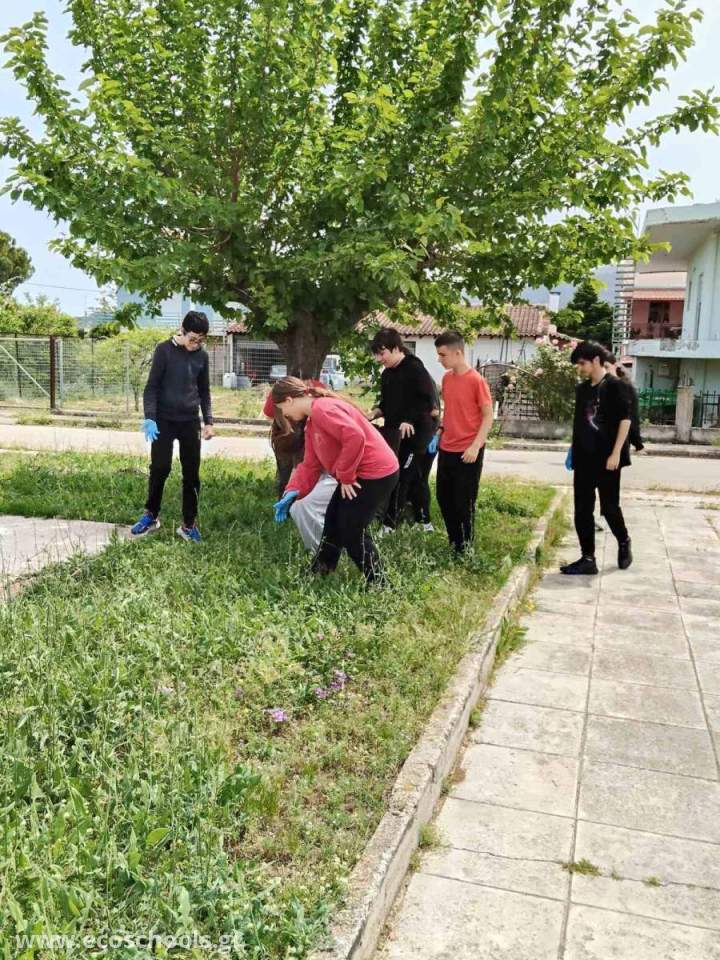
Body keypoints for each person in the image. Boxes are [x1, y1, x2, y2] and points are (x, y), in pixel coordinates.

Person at [271, 378, 399, 584]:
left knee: (351, 530)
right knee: (333, 521)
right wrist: (293, 491)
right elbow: (310, 465)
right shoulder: (312, 422)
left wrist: (346, 476)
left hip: (375, 474)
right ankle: (321, 571)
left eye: (282, 409)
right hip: (358, 475)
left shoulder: (323, 409)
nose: (284, 415)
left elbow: (355, 437)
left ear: (289, 400)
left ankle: (380, 583)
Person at [130, 311, 215, 542]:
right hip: (164, 421)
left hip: (189, 421)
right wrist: (150, 417)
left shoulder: (202, 356)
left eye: (201, 340)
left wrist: (208, 421)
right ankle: (151, 515)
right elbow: (151, 387)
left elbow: (204, 390)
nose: (196, 344)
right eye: (193, 339)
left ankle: (188, 525)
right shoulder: (164, 350)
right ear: (182, 330)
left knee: (191, 474)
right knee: (160, 468)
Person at [562, 341, 633, 576]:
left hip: (607, 459)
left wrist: (616, 453)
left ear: (595, 361)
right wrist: (573, 450)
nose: (580, 368)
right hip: (584, 458)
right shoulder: (582, 389)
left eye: (582, 363)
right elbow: (580, 423)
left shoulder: (615, 386)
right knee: (582, 509)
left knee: (609, 508)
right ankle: (588, 558)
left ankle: (624, 540)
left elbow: (625, 420)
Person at [367, 328, 437, 532]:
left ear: (396, 348)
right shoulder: (387, 374)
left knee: (403, 477)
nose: (379, 359)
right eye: (376, 354)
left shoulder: (415, 368)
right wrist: (374, 413)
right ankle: (424, 522)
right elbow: (386, 404)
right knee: (413, 477)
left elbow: (427, 401)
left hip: (416, 435)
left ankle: (389, 525)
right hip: (395, 435)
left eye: (382, 353)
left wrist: (409, 420)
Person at [434, 331, 494, 554]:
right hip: (446, 447)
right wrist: (440, 430)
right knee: (443, 497)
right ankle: (454, 542)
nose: (439, 359)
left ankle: (465, 548)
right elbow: (452, 410)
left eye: (442, 355)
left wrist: (475, 446)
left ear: (458, 353)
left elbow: (488, 416)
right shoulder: (446, 379)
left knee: (464, 501)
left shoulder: (476, 381)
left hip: (468, 450)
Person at [604, 353, 644, 452]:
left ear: (614, 366)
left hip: (617, 443)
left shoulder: (625, 387)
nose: (603, 371)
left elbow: (632, 417)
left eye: (606, 367)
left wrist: (638, 444)